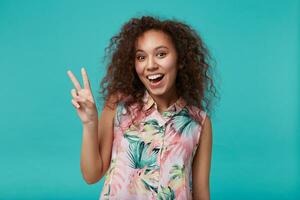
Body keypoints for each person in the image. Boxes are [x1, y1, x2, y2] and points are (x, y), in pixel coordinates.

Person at [67, 15, 217, 200]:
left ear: (180, 60)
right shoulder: (118, 107)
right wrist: (90, 123)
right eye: (141, 57)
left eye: (161, 54)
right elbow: (92, 175)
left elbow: (201, 193)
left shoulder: (199, 122)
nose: (151, 65)